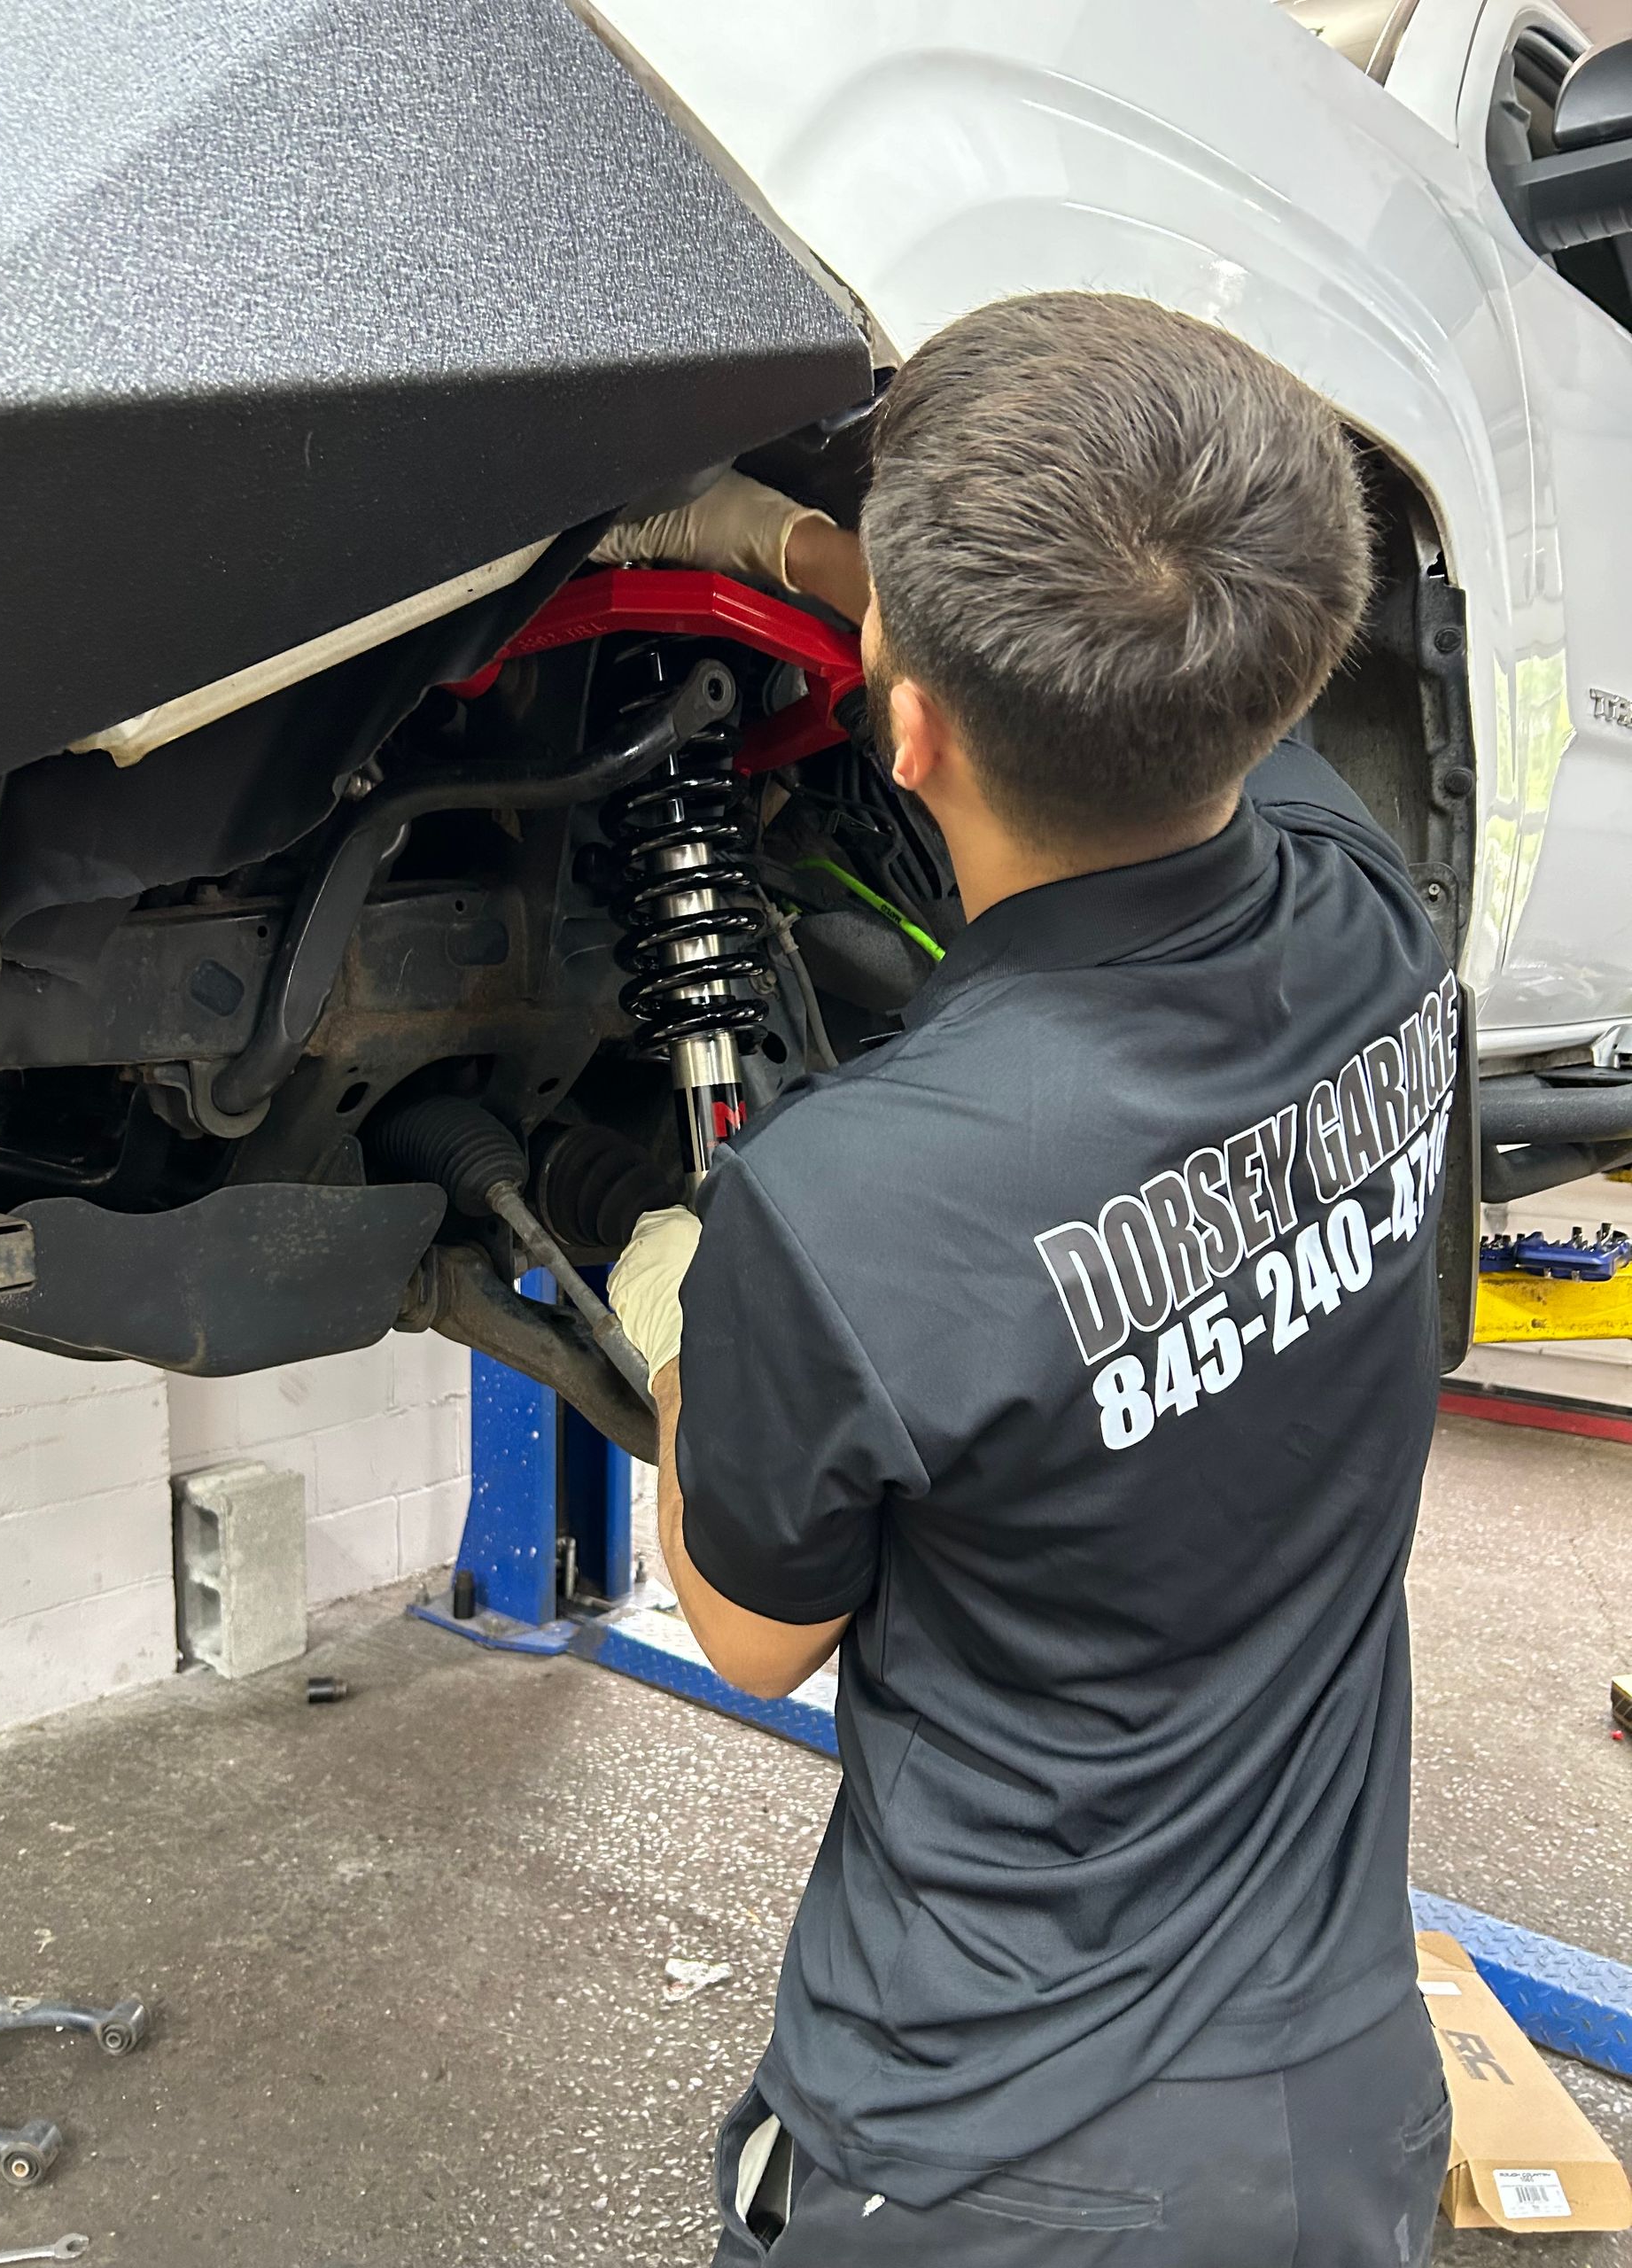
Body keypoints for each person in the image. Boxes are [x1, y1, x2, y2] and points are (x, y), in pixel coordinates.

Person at [607, 291, 1455, 2265]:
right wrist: (796, 547)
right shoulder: (1366, 911)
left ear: (895, 725)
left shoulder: (838, 1213)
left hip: (990, 2168)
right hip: (1338, 2116)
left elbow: (747, 1635)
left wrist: (682, 1336)